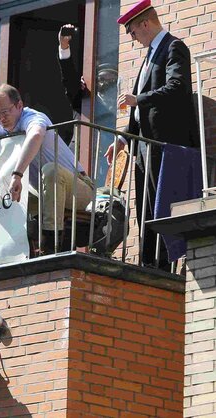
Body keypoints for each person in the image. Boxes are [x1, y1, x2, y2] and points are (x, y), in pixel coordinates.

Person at [106, 0, 197, 269]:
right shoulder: (149, 56)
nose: (132, 39)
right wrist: (122, 139)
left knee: (161, 206)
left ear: (145, 23)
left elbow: (177, 87)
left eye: (132, 32)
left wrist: (139, 98)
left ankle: (160, 266)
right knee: (145, 208)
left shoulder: (173, 47)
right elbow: (140, 113)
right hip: (144, 147)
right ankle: (149, 264)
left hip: (165, 145)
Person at [0, 84, 94, 254]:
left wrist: (17, 174)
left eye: (5, 112)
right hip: (45, 192)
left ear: (19, 106)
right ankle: (16, 249)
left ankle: (51, 246)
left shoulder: (33, 117)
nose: (1, 118)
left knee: (50, 171)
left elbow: (36, 135)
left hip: (81, 191)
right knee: (3, 188)